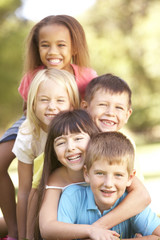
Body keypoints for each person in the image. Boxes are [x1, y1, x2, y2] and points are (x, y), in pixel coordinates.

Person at [0, 14, 97, 240]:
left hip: (72, 124)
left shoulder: (85, 76)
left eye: (60, 45)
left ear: (73, 47)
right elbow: (29, 112)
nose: (53, 52)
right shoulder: (32, 76)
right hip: (33, 121)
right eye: (45, 45)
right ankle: (14, 230)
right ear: (38, 47)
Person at [38, 73, 150, 240]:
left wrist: (96, 228)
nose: (71, 147)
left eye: (118, 107)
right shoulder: (60, 174)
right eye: (103, 105)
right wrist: (91, 231)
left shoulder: (113, 153)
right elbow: (46, 226)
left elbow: (142, 197)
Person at [12, 68, 80, 240]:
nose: (52, 107)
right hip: (41, 196)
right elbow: (25, 191)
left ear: (72, 104)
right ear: (33, 103)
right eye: (44, 100)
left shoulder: (79, 131)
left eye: (60, 100)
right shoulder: (28, 134)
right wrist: (23, 236)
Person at [58, 132, 160, 239]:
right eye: (100, 173)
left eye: (118, 175)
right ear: (87, 174)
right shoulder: (72, 197)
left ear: (130, 178)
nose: (108, 184)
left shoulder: (131, 203)